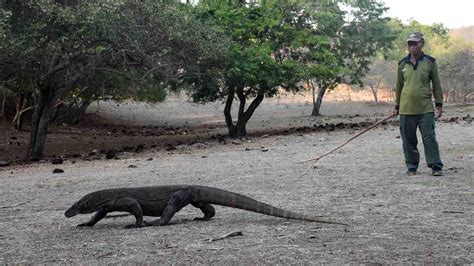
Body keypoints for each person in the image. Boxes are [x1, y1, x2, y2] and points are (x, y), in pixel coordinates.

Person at [391, 32, 444, 176]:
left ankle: (436, 166)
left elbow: (437, 84)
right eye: (409, 43)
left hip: (425, 108)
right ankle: (412, 166)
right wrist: (397, 106)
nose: (411, 46)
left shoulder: (430, 62)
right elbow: (399, 86)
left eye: (414, 43)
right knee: (408, 140)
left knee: (429, 138)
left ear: (422, 44)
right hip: (406, 109)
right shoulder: (402, 63)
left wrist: (439, 104)